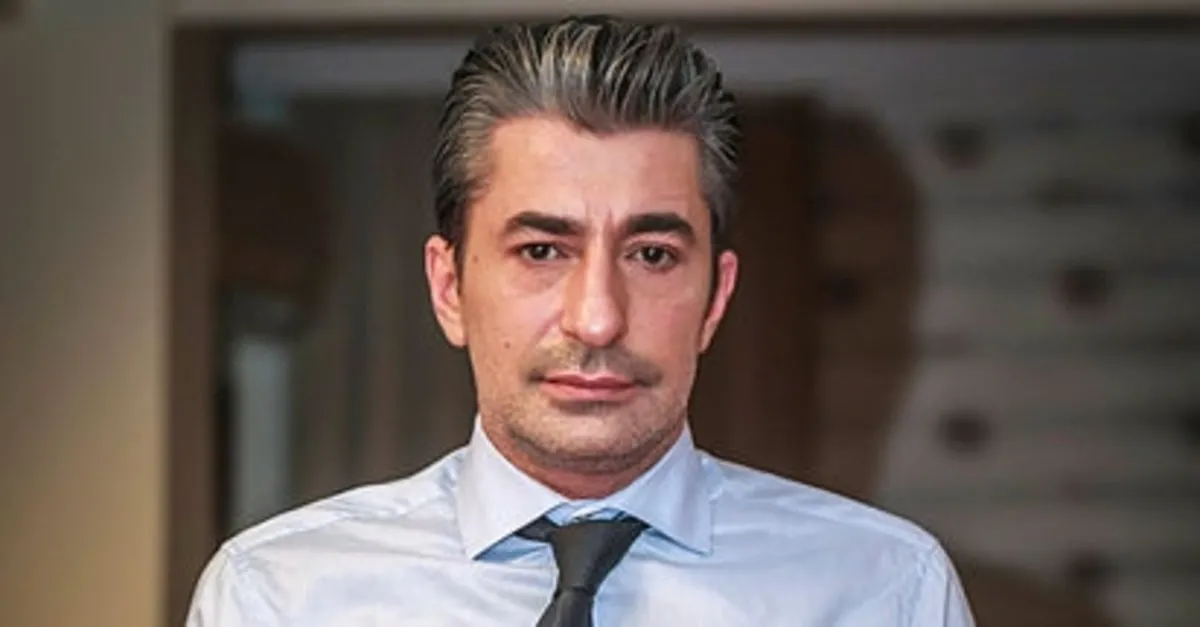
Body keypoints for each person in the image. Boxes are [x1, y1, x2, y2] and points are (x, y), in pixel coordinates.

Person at [186, 15, 976, 626]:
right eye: (541, 250)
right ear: (449, 287)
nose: (597, 319)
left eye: (652, 254)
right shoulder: (278, 597)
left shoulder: (889, 591)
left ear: (716, 298)